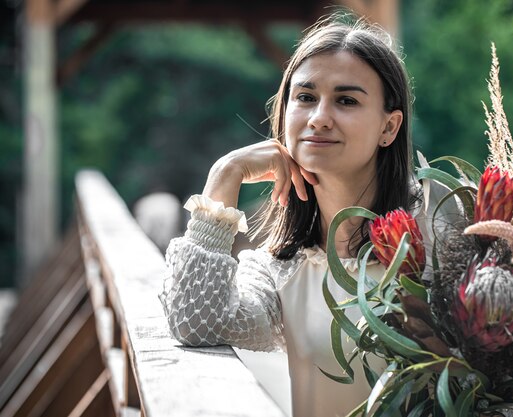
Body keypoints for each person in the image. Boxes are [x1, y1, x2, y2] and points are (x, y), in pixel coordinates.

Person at [160, 15, 418, 417]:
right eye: (305, 97)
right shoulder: (279, 270)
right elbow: (194, 322)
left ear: (389, 127)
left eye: (346, 100)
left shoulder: (437, 238)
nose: (319, 117)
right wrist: (225, 173)